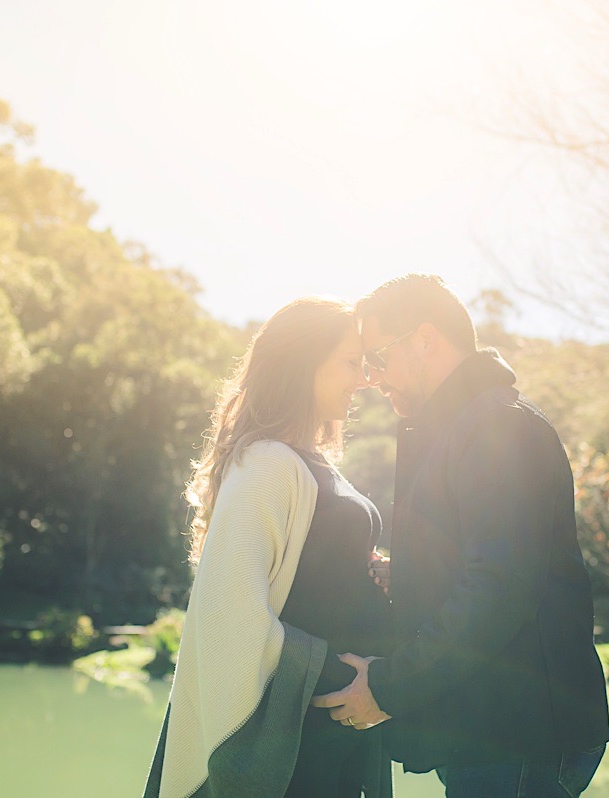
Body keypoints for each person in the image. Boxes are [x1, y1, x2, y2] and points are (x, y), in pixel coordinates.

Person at [312, 274, 609, 798]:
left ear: (426, 340)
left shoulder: (500, 427)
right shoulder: (462, 428)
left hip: (520, 737)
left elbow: (498, 589)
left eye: (378, 358)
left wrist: (388, 687)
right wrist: (402, 576)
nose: (372, 379)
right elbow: (483, 566)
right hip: (490, 731)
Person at [142, 297, 392, 798]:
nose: (364, 378)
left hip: (328, 732)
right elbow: (231, 612)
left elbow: (310, 571)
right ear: (304, 364)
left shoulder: (305, 462)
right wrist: (345, 675)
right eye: (350, 362)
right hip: (295, 743)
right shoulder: (268, 464)